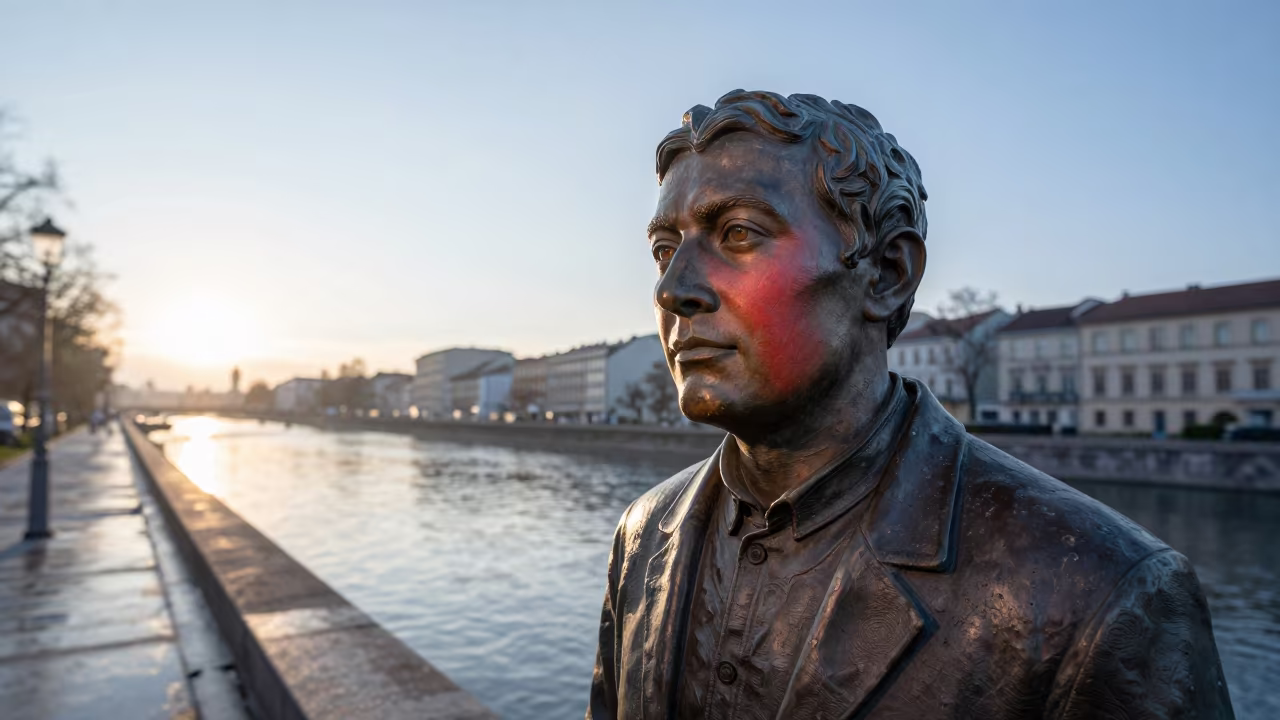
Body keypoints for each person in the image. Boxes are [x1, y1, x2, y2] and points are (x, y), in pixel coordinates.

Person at [587, 90, 1233, 719]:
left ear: (888, 273)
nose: (673, 290)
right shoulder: (644, 533)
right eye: (664, 251)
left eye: (737, 234)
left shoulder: (1100, 592)